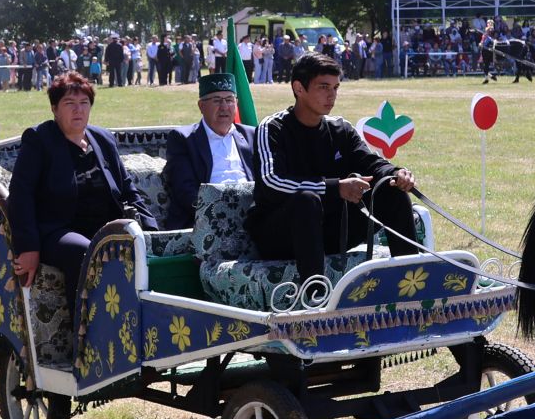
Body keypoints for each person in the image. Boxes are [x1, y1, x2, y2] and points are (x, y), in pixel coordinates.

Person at [249, 51, 418, 282]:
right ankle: (315, 295)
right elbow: (272, 183)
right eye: (323, 87)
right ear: (299, 88)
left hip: (332, 231)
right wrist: (335, 187)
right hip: (281, 235)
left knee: (391, 191)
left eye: (336, 88)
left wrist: (396, 173)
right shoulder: (273, 128)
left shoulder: (341, 129)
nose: (332, 95)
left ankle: (414, 282)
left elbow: (371, 162)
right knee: (306, 201)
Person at [9, 72, 158, 297]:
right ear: (54, 108)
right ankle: (86, 328)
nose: (78, 110)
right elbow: (20, 194)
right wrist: (27, 246)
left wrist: (151, 229)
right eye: (69, 103)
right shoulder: (39, 140)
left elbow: (127, 189)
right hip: (59, 230)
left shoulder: (103, 139)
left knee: (145, 247)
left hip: (106, 227)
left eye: (84, 103)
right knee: (84, 251)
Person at [163, 72, 256, 228]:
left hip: (252, 216)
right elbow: (185, 191)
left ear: (236, 104)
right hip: (205, 220)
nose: (224, 107)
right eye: (217, 101)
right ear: (201, 106)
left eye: (229, 100)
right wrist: (220, 215)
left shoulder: (252, 135)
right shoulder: (184, 139)